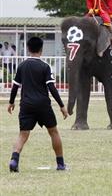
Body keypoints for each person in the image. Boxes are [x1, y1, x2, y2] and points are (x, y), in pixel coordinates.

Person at [7, 37, 68, 172]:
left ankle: (14, 160)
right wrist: (62, 105)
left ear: (28, 49)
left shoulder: (22, 66)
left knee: (23, 134)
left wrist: (11, 102)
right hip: (43, 105)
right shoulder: (45, 67)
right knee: (53, 132)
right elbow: (51, 87)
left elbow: (15, 87)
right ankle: (60, 164)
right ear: (41, 49)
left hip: (26, 104)